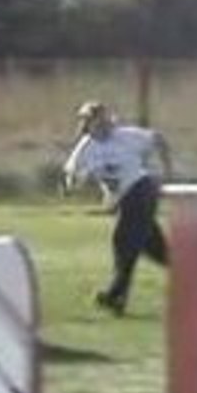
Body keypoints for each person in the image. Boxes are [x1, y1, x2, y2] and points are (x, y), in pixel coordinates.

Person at [62, 100, 173, 316]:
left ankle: (115, 295)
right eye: (94, 121)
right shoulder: (85, 148)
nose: (101, 125)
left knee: (123, 240)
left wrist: (168, 173)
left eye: (103, 120)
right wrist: (70, 186)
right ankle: (192, 271)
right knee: (154, 249)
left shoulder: (126, 135)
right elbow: (71, 175)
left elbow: (158, 139)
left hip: (142, 189)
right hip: (124, 199)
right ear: (86, 125)